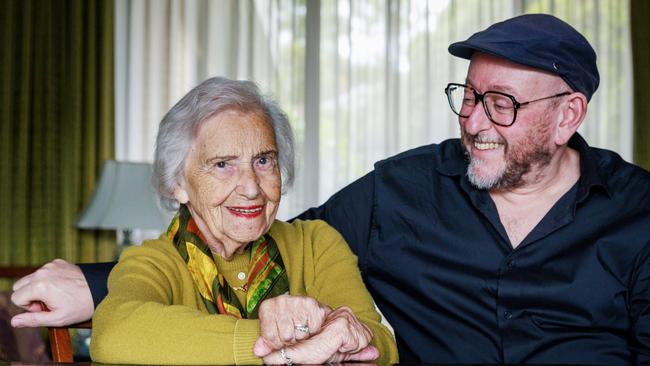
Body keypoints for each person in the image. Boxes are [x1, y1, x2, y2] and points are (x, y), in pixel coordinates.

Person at [12, 13, 650, 364]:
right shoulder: (403, 190)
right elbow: (259, 232)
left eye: (502, 104)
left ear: (569, 115)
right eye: (471, 96)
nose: (475, 121)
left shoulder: (638, 213)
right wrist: (98, 283)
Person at [23, 77, 398, 365]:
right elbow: (114, 331)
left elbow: (379, 346)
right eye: (223, 164)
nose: (251, 187)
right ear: (178, 183)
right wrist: (278, 343)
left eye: (264, 161)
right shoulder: (156, 261)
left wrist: (349, 336)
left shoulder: (317, 244)